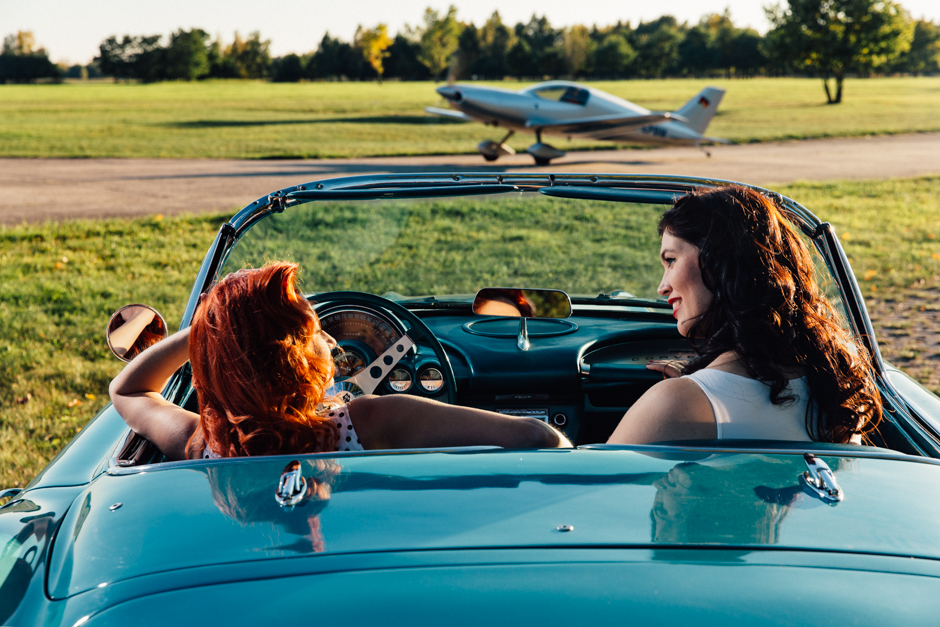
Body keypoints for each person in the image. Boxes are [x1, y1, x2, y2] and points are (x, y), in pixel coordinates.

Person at [109, 262, 569, 461]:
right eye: (315, 329)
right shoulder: (369, 421)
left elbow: (127, 390)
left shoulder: (201, 444)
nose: (329, 337)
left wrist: (216, 328)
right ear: (295, 358)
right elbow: (538, 438)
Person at [608, 185, 882, 445]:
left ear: (719, 261)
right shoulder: (840, 381)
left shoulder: (675, 403)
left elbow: (595, 479)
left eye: (671, 260)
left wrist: (693, 388)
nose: (662, 287)